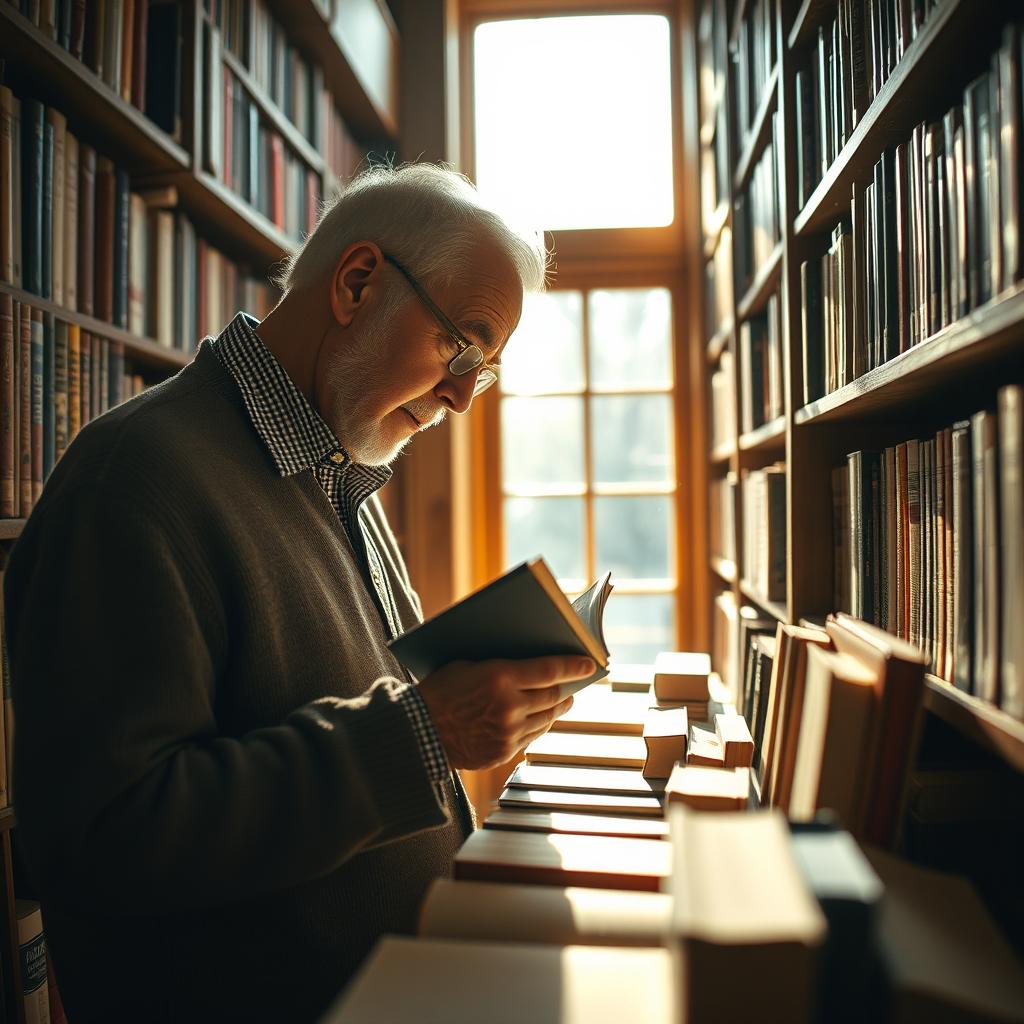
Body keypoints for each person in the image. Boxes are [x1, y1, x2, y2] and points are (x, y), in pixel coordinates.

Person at [4, 164, 595, 1023]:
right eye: (462, 347)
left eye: (487, 371)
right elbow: (107, 842)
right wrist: (427, 731)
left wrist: (471, 730)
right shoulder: (133, 480)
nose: (465, 398)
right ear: (358, 284)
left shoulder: (339, 475)